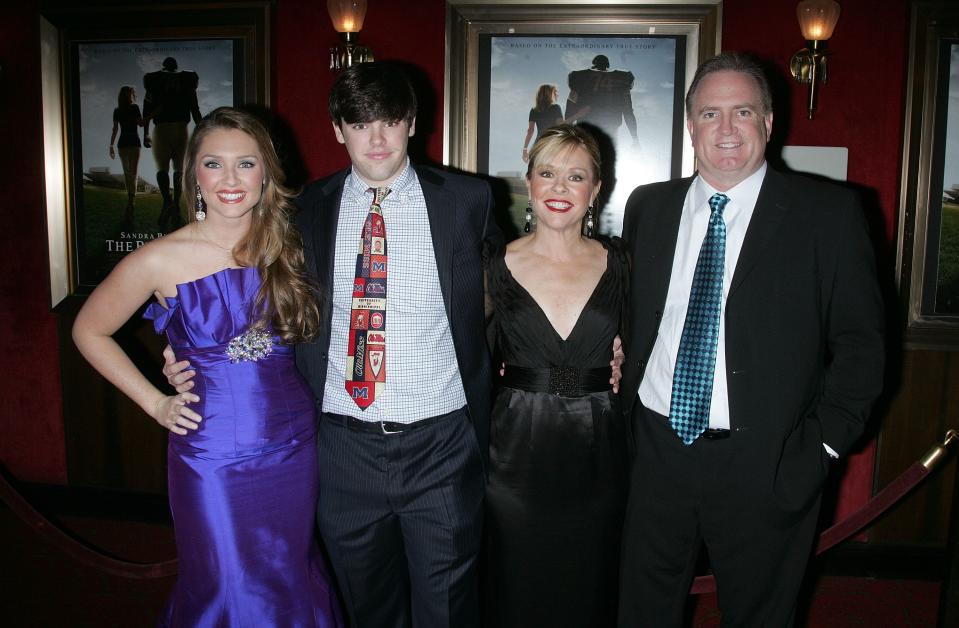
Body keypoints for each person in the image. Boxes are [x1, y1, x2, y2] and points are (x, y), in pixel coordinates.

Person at [617, 52, 885, 625]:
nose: (727, 129)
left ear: (768, 122)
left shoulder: (828, 215)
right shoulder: (650, 207)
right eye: (710, 114)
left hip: (768, 461)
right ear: (691, 127)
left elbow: (863, 347)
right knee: (642, 610)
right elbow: (636, 317)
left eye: (743, 111)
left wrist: (822, 447)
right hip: (656, 449)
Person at [73, 107, 343, 627]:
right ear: (193, 172)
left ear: (266, 172)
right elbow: (89, 330)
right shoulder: (158, 259)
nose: (230, 180)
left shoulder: (291, 244)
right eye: (214, 164)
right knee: (224, 583)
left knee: (289, 575)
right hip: (211, 455)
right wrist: (155, 400)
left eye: (245, 163)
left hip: (294, 447)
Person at [484, 124, 629, 627]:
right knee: (516, 588)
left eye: (575, 176)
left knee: (592, 587)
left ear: (596, 190)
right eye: (547, 173)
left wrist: (625, 362)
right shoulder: (493, 264)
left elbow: (655, 342)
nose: (559, 188)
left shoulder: (624, 264)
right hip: (514, 455)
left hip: (602, 455)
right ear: (529, 182)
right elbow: (463, 353)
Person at [143, 56, 202, 230]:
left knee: (162, 167)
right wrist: (204, 129)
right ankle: (174, 204)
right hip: (180, 128)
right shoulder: (186, 80)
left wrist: (145, 133)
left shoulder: (154, 81)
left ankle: (168, 202)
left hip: (161, 128)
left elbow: (147, 108)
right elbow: (194, 107)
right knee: (178, 168)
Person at [565, 54, 638, 146]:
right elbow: (628, 112)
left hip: (586, 129)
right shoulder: (622, 79)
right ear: (608, 65)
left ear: (594, 64)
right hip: (609, 129)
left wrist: (566, 134)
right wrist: (635, 138)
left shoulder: (579, 77)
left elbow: (570, 107)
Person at [109, 85, 144, 225]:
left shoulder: (118, 110)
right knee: (132, 173)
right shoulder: (133, 108)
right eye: (130, 93)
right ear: (129, 95)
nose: (131, 96)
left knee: (128, 173)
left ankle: (131, 200)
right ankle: (131, 200)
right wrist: (150, 116)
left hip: (124, 142)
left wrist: (111, 145)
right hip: (133, 142)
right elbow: (140, 124)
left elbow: (115, 129)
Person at [521, 84, 563, 163]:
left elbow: (530, 130)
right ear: (550, 94)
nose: (555, 95)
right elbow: (561, 127)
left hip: (539, 142)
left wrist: (525, 149)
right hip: (553, 142)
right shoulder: (556, 108)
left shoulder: (534, 110)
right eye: (554, 93)